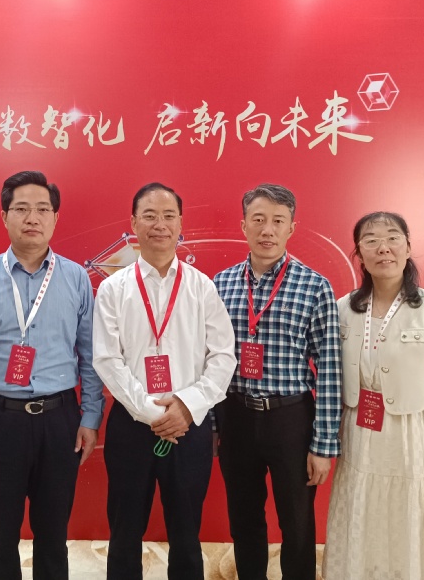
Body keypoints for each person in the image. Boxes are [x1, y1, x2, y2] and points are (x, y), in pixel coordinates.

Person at [0, 170, 104, 580]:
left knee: (53, 534)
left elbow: (90, 355)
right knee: (0, 534)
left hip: (60, 419)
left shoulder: (76, 278)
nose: (32, 218)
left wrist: (90, 417)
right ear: (4, 217)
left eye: (42, 209)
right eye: (21, 209)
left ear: (55, 217)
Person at [93, 182, 235, 580]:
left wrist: (186, 406)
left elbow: (223, 356)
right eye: (150, 216)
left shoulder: (202, 286)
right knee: (125, 531)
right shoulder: (113, 288)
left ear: (180, 224)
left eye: (168, 216)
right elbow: (107, 358)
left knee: (187, 533)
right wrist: (150, 412)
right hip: (131, 425)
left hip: (189, 425)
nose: (160, 224)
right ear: (133, 223)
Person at [322, 211, 424, 580]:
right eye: (371, 240)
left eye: (392, 238)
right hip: (360, 436)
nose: (383, 248)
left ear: (408, 247)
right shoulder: (343, 309)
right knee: (364, 518)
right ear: (359, 253)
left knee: (412, 523)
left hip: (416, 440)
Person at [212, 183, 341, 580]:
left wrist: (323, 445)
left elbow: (330, 369)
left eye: (278, 221)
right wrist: (213, 425)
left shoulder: (315, 286)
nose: (267, 230)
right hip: (235, 414)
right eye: (258, 219)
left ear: (291, 228)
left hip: (290, 419)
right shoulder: (219, 284)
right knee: (243, 516)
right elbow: (208, 361)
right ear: (244, 226)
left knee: (297, 521)